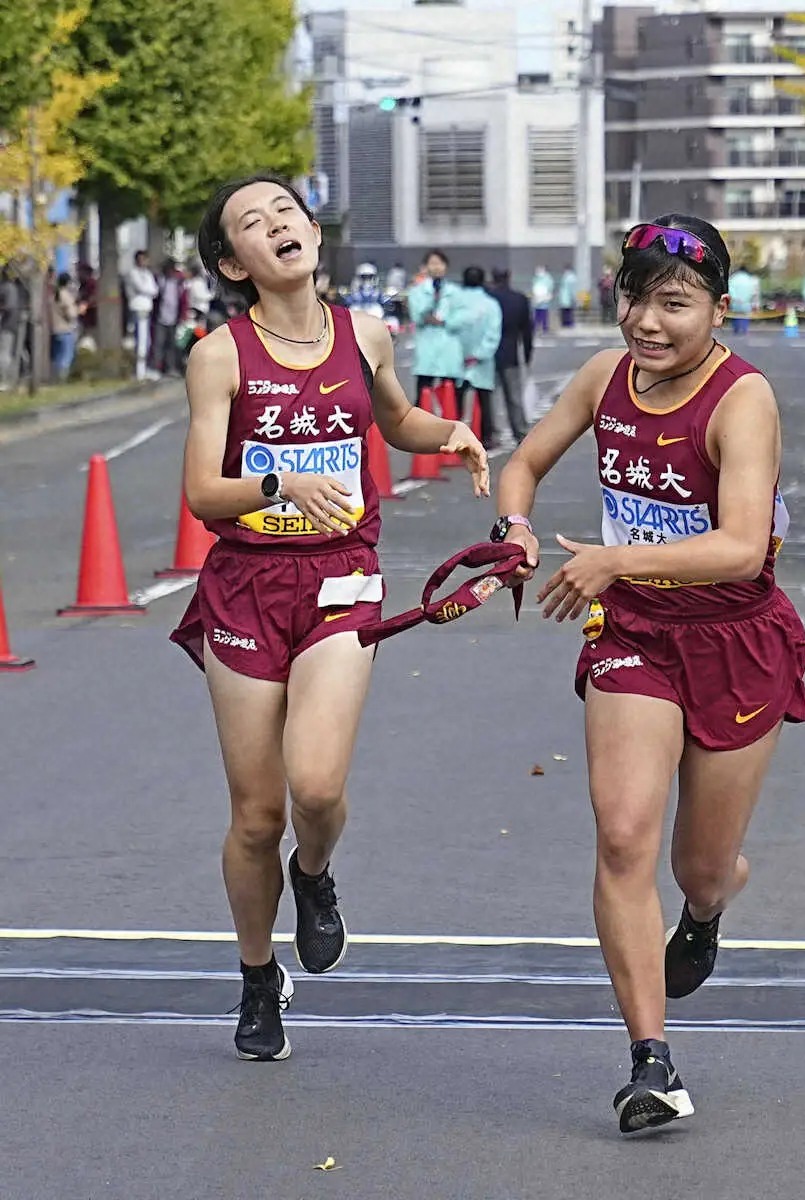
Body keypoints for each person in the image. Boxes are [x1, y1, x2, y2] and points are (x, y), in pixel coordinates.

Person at [495, 214, 805, 1134]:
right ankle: (651, 1062)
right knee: (625, 835)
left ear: (718, 308)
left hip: (733, 636)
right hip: (632, 634)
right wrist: (514, 528)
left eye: (675, 303)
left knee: (697, 865)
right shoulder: (604, 378)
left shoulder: (742, 399)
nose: (648, 322)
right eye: (636, 297)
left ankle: (707, 910)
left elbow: (745, 549)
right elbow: (526, 461)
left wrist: (616, 559)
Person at [171, 173, 488, 1063]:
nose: (277, 225)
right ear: (234, 262)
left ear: (310, 232)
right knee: (254, 815)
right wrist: (279, 482)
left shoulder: (367, 333)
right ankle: (256, 973)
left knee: (314, 788)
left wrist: (450, 434)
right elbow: (202, 491)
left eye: (286, 212)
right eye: (251, 224)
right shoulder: (220, 355)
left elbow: (393, 422)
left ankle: (314, 878)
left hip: (342, 578)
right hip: (245, 584)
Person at [453, 266, 503, 449]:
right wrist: (479, 354)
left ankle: (453, 436)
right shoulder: (491, 304)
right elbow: (494, 333)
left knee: (456, 399)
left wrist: (461, 354)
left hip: (458, 358)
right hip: (482, 361)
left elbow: (450, 327)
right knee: (484, 400)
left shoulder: (455, 301)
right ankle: (486, 436)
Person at [407, 249, 463, 408]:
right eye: (432, 263)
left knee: (451, 396)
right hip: (427, 348)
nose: (437, 267)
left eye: (440, 263)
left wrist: (444, 321)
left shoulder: (455, 292)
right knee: (423, 394)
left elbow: (461, 318)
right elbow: (417, 316)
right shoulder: (417, 292)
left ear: (446, 266)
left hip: (449, 348)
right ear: (426, 267)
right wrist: (431, 301)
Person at [490, 267, 534, 445]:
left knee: (491, 396)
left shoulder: (488, 298)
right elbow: (527, 330)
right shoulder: (519, 299)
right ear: (509, 277)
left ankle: (492, 432)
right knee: (514, 397)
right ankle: (520, 432)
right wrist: (527, 353)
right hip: (511, 353)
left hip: (489, 353)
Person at [125, 250, 159, 381]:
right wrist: (149, 290)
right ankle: (139, 371)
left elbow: (155, 290)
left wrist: (149, 290)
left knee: (146, 341)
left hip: (147, 308)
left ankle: (143, 368)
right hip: (137, 307)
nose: (144, 262)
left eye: (145, 259)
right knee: (140, 340)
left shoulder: (148, 274)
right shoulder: (133, 273)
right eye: (141, 259)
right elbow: (142, 288)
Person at [50, 271, 81, 381]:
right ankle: (62, 378)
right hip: (66, 329)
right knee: (67, 356)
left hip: (55, 329)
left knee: (57, 356)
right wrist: (78, 310)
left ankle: (54, 377)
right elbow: (71, 314)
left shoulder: (54, 295)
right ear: (68, 282)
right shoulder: (66, 296)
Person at [727, 263, 758, 334]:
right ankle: (744, 329)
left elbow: (729, 289)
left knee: (735, 316)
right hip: (746, 302)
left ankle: (736, 330)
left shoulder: (733, 278)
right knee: (745, 316)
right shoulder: (750, 279)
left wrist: (734, 297)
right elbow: (754, 291)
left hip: (735, 302)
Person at [531, 265, 554, 335]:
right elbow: (534, 286)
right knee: (537, 315)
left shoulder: (547, 278)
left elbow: (550, 287)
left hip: (544, 299)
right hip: (537, 299)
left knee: (543, 315)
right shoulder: (536, 278)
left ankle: (544, 329)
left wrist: (546, 295)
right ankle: (536, 328)